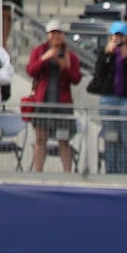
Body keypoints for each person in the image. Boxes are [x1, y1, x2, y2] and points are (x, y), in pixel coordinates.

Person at [25, 21, 81, 176]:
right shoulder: (39, 51)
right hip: (43, 101)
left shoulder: (71, 56)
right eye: (53, 33)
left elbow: (76, 78)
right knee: (40, 139)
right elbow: (31, 70)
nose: (56, 36)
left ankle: (67, 174)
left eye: (59, 33)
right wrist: (45, 58)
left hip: (62, 103)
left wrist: (64, 66)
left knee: (64, 140)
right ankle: (38, 173)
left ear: (63, 36)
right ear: (47, 35)